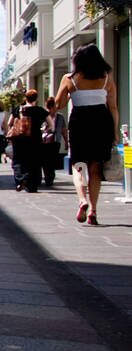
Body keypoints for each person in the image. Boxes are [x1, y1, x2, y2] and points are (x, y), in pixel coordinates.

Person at [54, 43, 119, 225]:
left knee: (79, 165)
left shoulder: (70, 78)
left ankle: (82, 200)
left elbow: (58, 104)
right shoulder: (106, 78)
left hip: (80, 121)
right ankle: (93, 210)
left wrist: (69, 94)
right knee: (96, 167)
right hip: (102, 121)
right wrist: (114, 132)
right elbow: (113, 107)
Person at [6, 89, 50, 193]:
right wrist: (43, 130)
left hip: (20, 139)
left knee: (18, 160)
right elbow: (51, 125)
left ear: (25, 98)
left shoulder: (18, 109)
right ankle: (32, 185)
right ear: (36, 99)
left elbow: (9, 123)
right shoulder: (40, 110)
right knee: (34, 161)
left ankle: (21, 178)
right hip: (35, 139)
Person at [41, 97, 66, 188]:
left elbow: (63, 130)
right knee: (46, 160)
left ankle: (50, 177)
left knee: (53, 160)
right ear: (51, 107)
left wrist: (66, 142)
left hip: (56, 141)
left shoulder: (60, 117)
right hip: (45, 142)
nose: (57, 107)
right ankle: (48, 177)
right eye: (55, 105)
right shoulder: (43, 116)